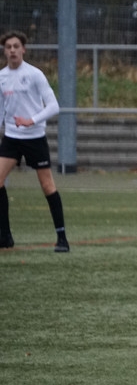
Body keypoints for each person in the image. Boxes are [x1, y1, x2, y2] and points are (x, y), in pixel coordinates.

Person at [0, 30, 69, 252]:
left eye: (16, 46)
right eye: (8, 47)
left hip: (34, 138)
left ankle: (62, 238)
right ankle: (5, 237)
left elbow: (54, 106)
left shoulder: (34, 74)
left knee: (47, 185)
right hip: (12, 137)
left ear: (23, 49)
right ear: (4, 51)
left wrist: (32, 120)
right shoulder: (1, 77)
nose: (12, 50)